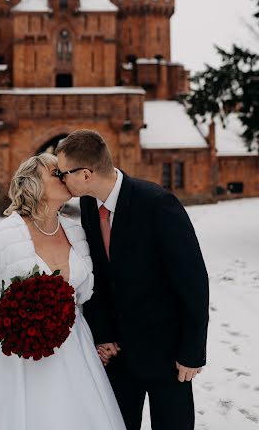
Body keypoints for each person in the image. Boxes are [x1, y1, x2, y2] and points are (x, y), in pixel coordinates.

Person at [0, 153, 127, 430]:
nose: (64, 176)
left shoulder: (77, 232)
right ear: (32, 183)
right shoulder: (1, 237)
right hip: (16, 355)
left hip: (74, 349)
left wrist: (103, 336)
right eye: (55, 172)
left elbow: (87, 295)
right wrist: (11, 320)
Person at [56, 130, 209, 430]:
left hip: (169, 356)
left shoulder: (158, 204)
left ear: (85, 174)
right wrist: (102, 333)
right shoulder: (89, 205)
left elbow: (193, 281)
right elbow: (99, 274)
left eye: (63, 173)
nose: (61, 178)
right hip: (119, 356)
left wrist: (192, 352)